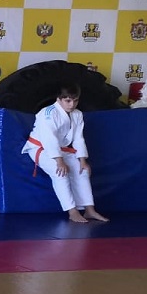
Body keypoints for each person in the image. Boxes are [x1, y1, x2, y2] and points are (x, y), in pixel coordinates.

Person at [21, 82, 108, 223]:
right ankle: (72, 211)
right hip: (40, 148)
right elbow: (49, 138)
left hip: (61, 149)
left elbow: (78, 138)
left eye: (75, 100)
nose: (72, 105)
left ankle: (89, 210)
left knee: (83, 171)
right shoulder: (48, 113)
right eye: (68, 100)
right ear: (59, 99)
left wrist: (82, 160)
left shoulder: (77, 114)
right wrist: (59, 161)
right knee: (59, 172)